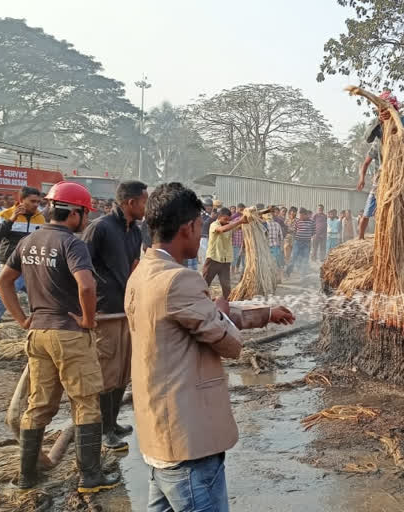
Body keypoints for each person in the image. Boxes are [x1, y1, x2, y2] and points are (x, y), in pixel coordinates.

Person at [125, 182, 295, 512]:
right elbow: (230, 343)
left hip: (159, 437)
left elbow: (200, 319)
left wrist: (265, 315)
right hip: (189, 443)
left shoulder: (142, 272)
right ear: (188, 227)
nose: (201, 232)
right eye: (199, 226)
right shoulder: (180, 280)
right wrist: (222, 310)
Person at [0, 181, 120, 494]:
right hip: (69, 335)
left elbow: (4, 281)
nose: (86, 220)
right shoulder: (72, 244)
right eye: (85, 214)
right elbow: (87, 286)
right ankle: (90, 477)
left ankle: (27, 477)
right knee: (86, 403)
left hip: (38, 334)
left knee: (37, 404)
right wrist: (89, 320)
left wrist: (23, 319)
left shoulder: (30, 240)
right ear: (74, 212)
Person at [81, 180, 148, 452]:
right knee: (106, 370)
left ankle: (113, 421)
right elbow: (81, 268)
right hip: (104, 311)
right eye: (144, 201)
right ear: (130, 202)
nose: (146, 206)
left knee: (122, 371)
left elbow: (134, 265)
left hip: (125, 309)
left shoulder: (134, 231)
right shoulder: (100, 228)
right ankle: (103, 428)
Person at [357, 90, 404, 239]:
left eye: (387, 108)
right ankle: (362, 236)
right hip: (382, 172)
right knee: (373, 202)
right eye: (381, 109)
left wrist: (398, 132)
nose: (384, 112)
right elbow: (367, 138)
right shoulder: (377, 123)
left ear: (394, 108)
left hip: (401, 172)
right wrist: (379, 121)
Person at [0, 186, 44, 326]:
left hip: (31, 265)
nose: (36, 205)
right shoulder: (5, 214)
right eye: (32, 201)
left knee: (41, 298)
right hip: (10, 266)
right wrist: (12, 219)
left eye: (38, 202)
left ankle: (37, 327)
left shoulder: (40, 218)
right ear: (21, 200)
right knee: (1, 301)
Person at [203, 207, 246, 299]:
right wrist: (239, 221)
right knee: (204, 283)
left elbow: (238, 226)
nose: (227, 221)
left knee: (226, 286)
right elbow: (222, 230)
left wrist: (246, 220)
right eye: (225, 219)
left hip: (225, 261)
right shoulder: (214, 225)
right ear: (220, 217)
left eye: (228, 220)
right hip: (213, 259)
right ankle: (199, 300)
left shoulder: (229, 225)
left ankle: (227, 303)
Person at [285, 208, 314, 277]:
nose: (300, 217)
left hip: (307, 243)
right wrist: (298, 237)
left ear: (306, 215)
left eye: (302, 215)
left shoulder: (311, 222)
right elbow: (295, 231)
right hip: (298, 242)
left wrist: (306, 236)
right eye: (300, 215)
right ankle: (288, 271)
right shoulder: (298, 221)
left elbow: (313, 232)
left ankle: (303, 273)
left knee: (305, 258)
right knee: (293, 257)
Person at [198, 197, 215, 264]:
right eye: (207, 206)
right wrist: (210, 218)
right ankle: (205, 270)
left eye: (210, 205)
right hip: (204, 237)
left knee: (212, 255)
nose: (209, 207)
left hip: (212, 237)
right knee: (205, 255)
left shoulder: (213, 214)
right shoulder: (201, 215)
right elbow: (203, 225)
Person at [231, 203, 245, 274]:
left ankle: (242, 273)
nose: (242, 211)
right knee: (234, 258)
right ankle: (232, 272)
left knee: (242, 259)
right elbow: (231, 231)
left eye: (243, 209)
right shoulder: (234, 218)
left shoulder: (246, 219)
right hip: (235, 242)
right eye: (241, 209)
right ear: (237, 208)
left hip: (243, 243)